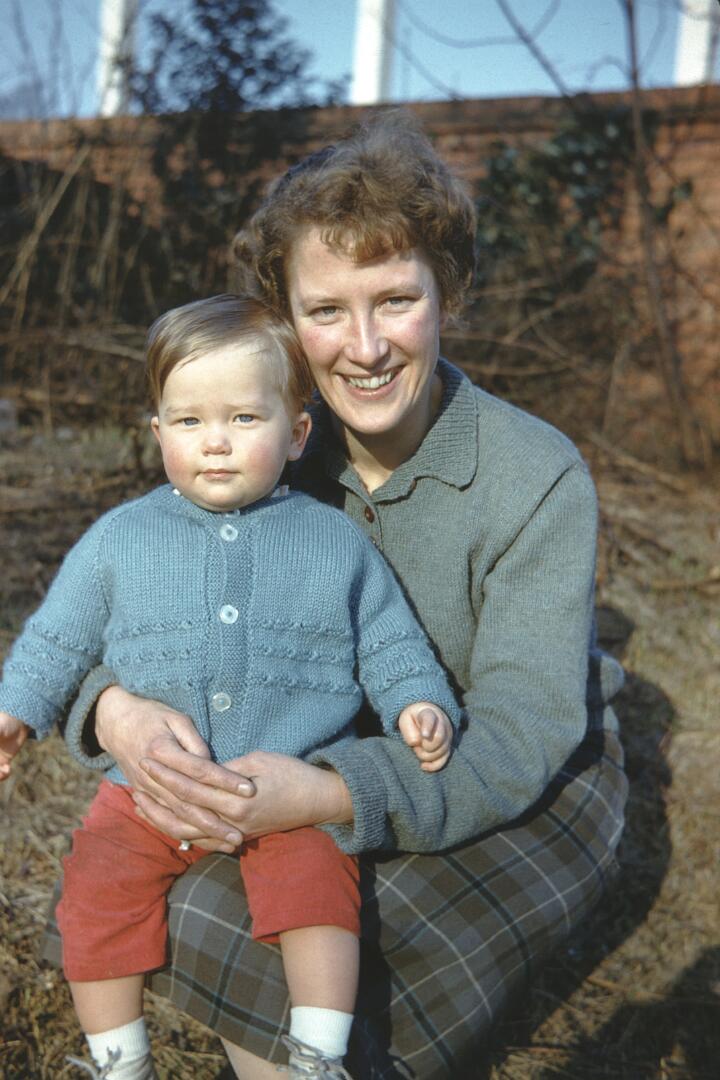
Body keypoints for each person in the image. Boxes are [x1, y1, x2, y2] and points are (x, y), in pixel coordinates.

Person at [44, 111, 627, 1079]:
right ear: (282, 319)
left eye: (396, 299)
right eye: (325, 311)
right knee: (208, 909)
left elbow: (522, 735)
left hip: (500, 763)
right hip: (304, 747)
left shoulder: (538, 478)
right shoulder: (258, 446)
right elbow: (118, 606)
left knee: (349, 979)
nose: (365, 347)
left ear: (449, 294)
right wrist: (116, 714)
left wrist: (325, 792)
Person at [0, 294, 461, 1080]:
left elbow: (389, 640)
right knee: (94, 893)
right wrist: (15, 710)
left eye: (244, 419)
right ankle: (119, 1060)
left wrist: (419, 702)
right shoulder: (121, 538)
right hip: (148, 791)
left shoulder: (334, 542)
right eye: (189, 422)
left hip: (288, 783)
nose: (215, 442)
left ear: (297, 433)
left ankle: (318, 1055)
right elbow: (57, 638)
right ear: (158, 433)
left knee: (320, 896)